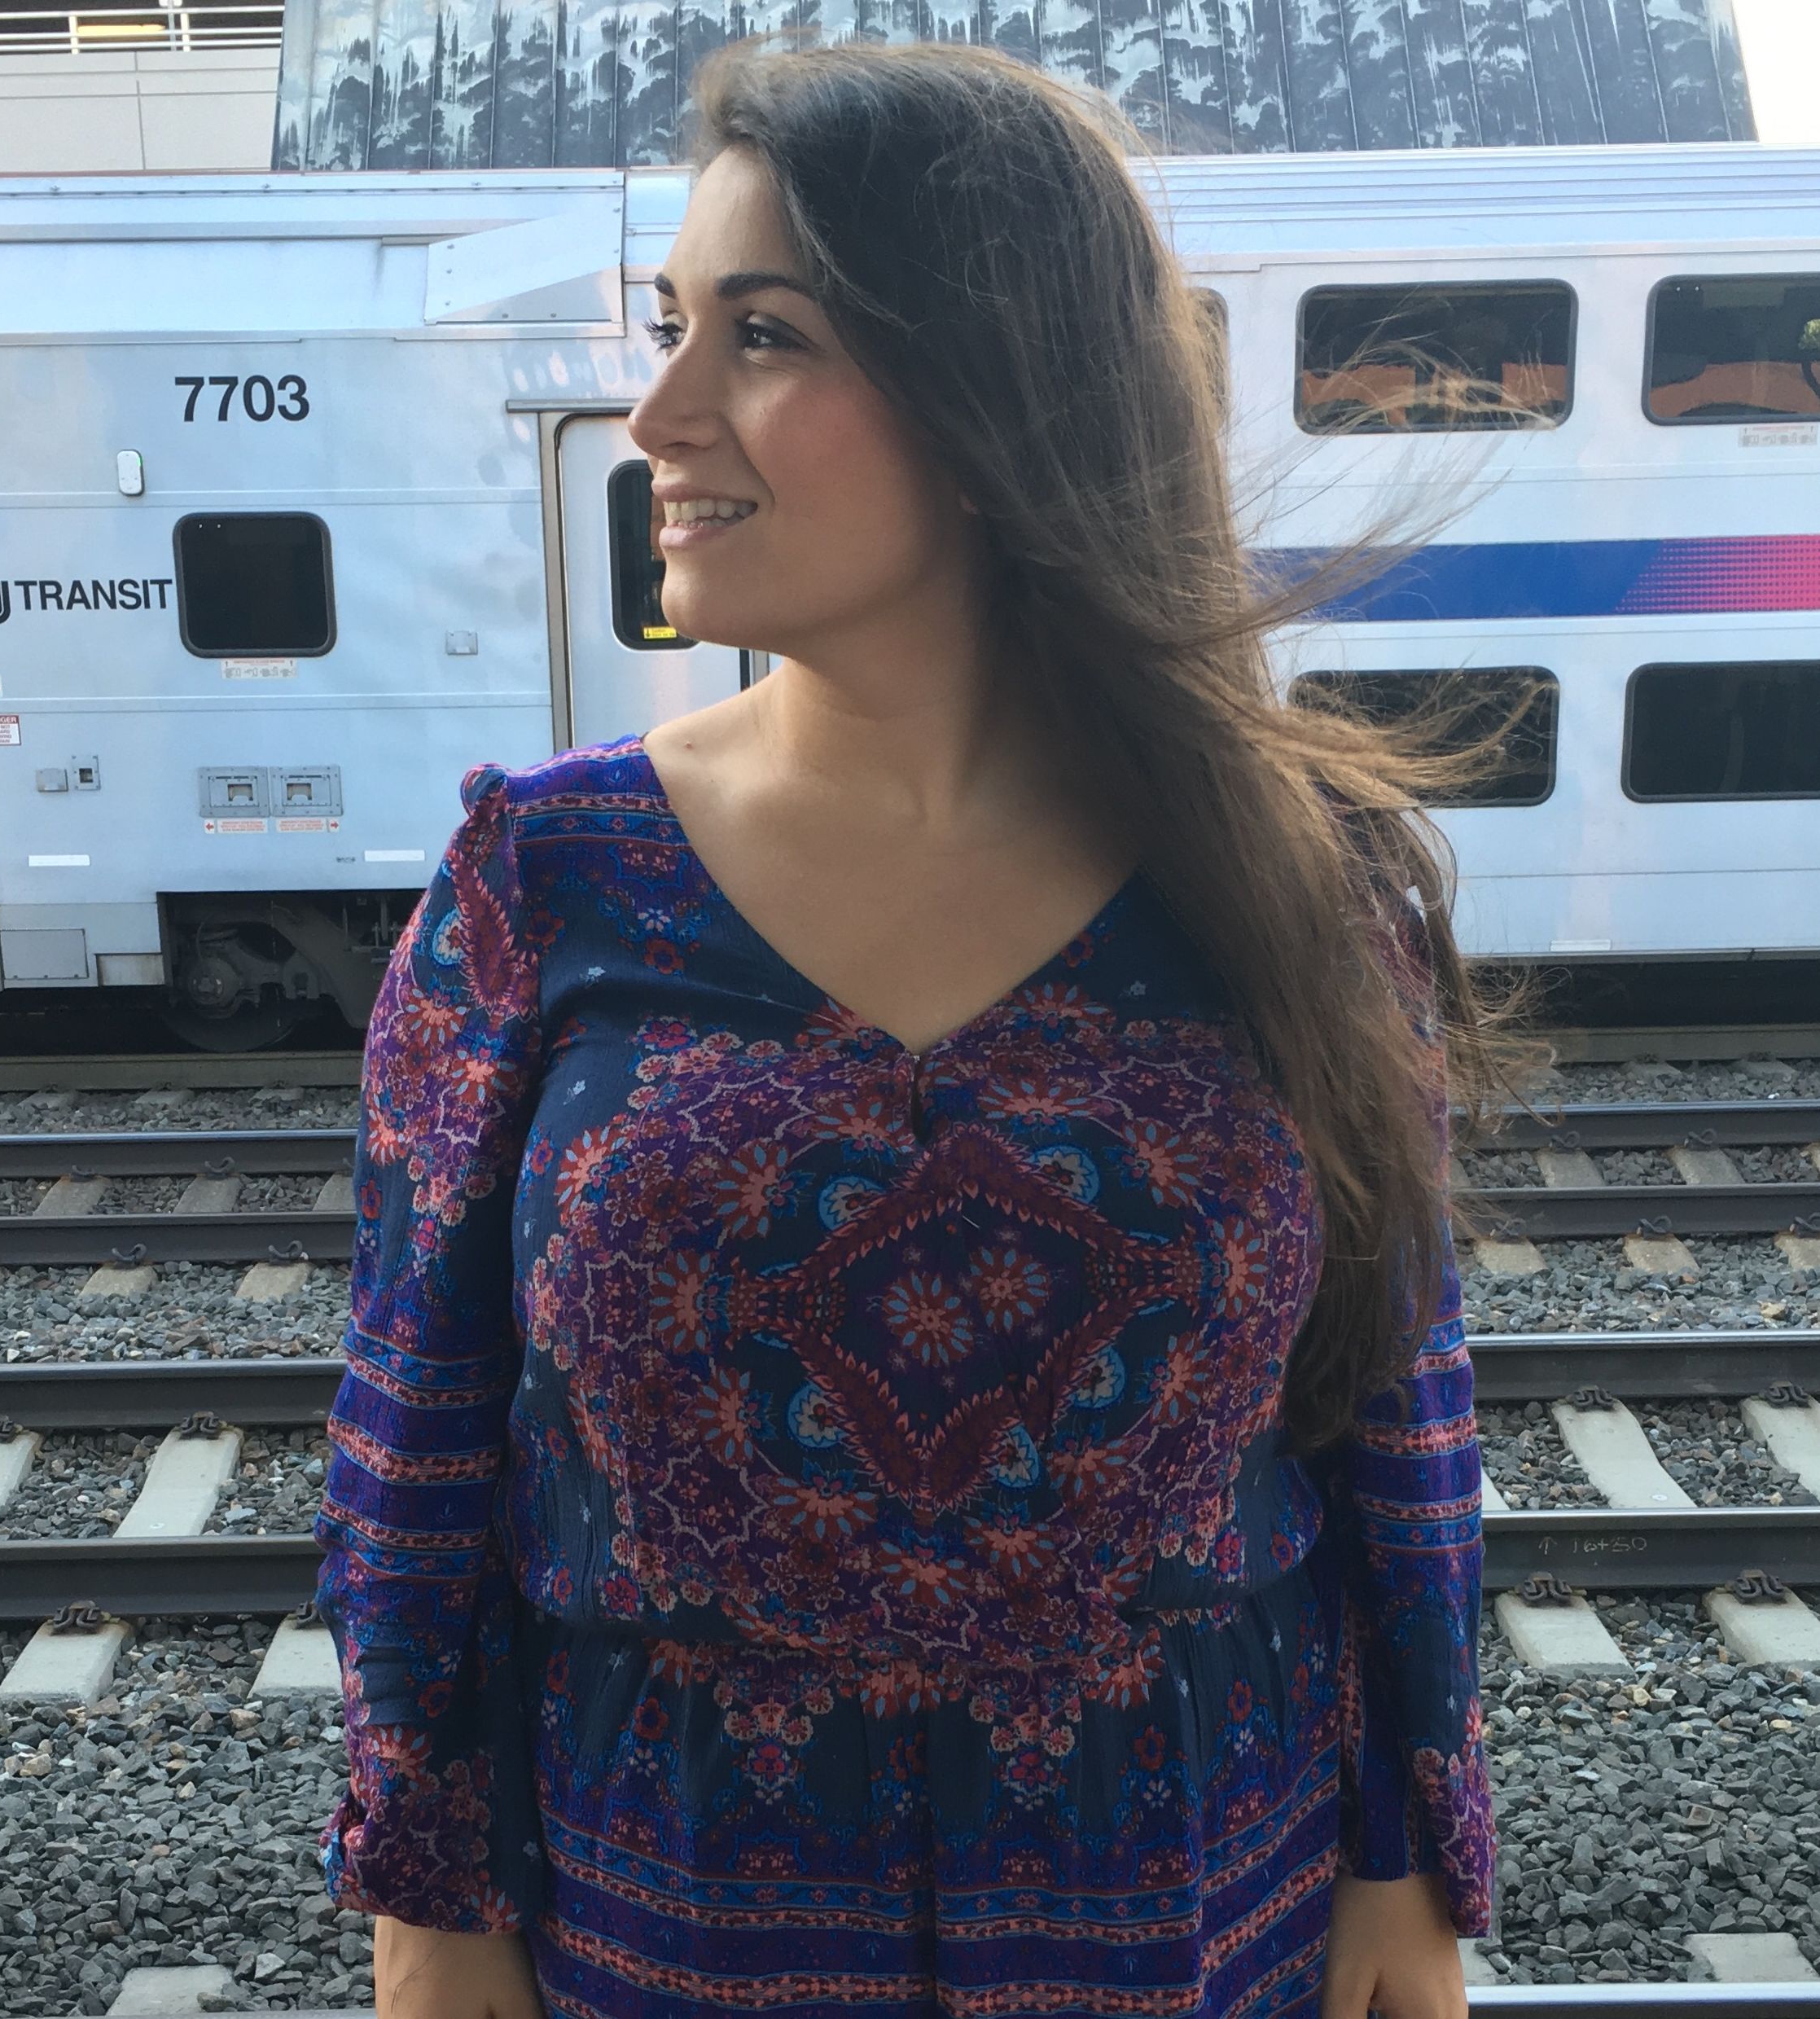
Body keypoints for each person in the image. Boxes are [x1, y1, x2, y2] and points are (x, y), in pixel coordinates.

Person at [314, 37, 1511, 2019]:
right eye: (669, 324)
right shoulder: (544, 884)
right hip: (664, 1915)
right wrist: (426, 1904)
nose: (657, 409)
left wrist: (1409, 1857)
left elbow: (1393, 1410)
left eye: (760, 334)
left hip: (1201, 1907)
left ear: (999, 389)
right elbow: (411, 1445)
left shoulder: (1296, 885)